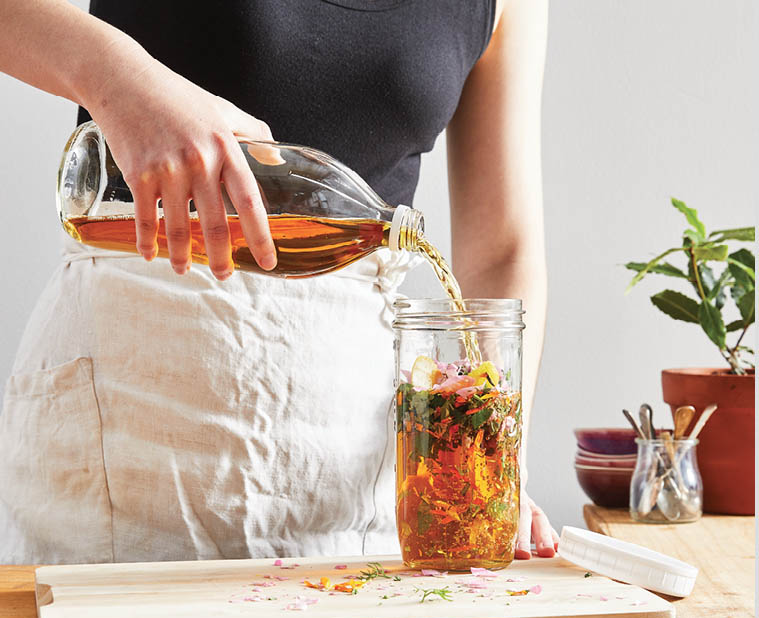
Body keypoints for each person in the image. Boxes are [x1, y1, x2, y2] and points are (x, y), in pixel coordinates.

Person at [0, 0, 558, 563]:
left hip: (351, 466)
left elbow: (499, 250)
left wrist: (495, 455)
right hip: (126, 428)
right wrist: (118, 76)